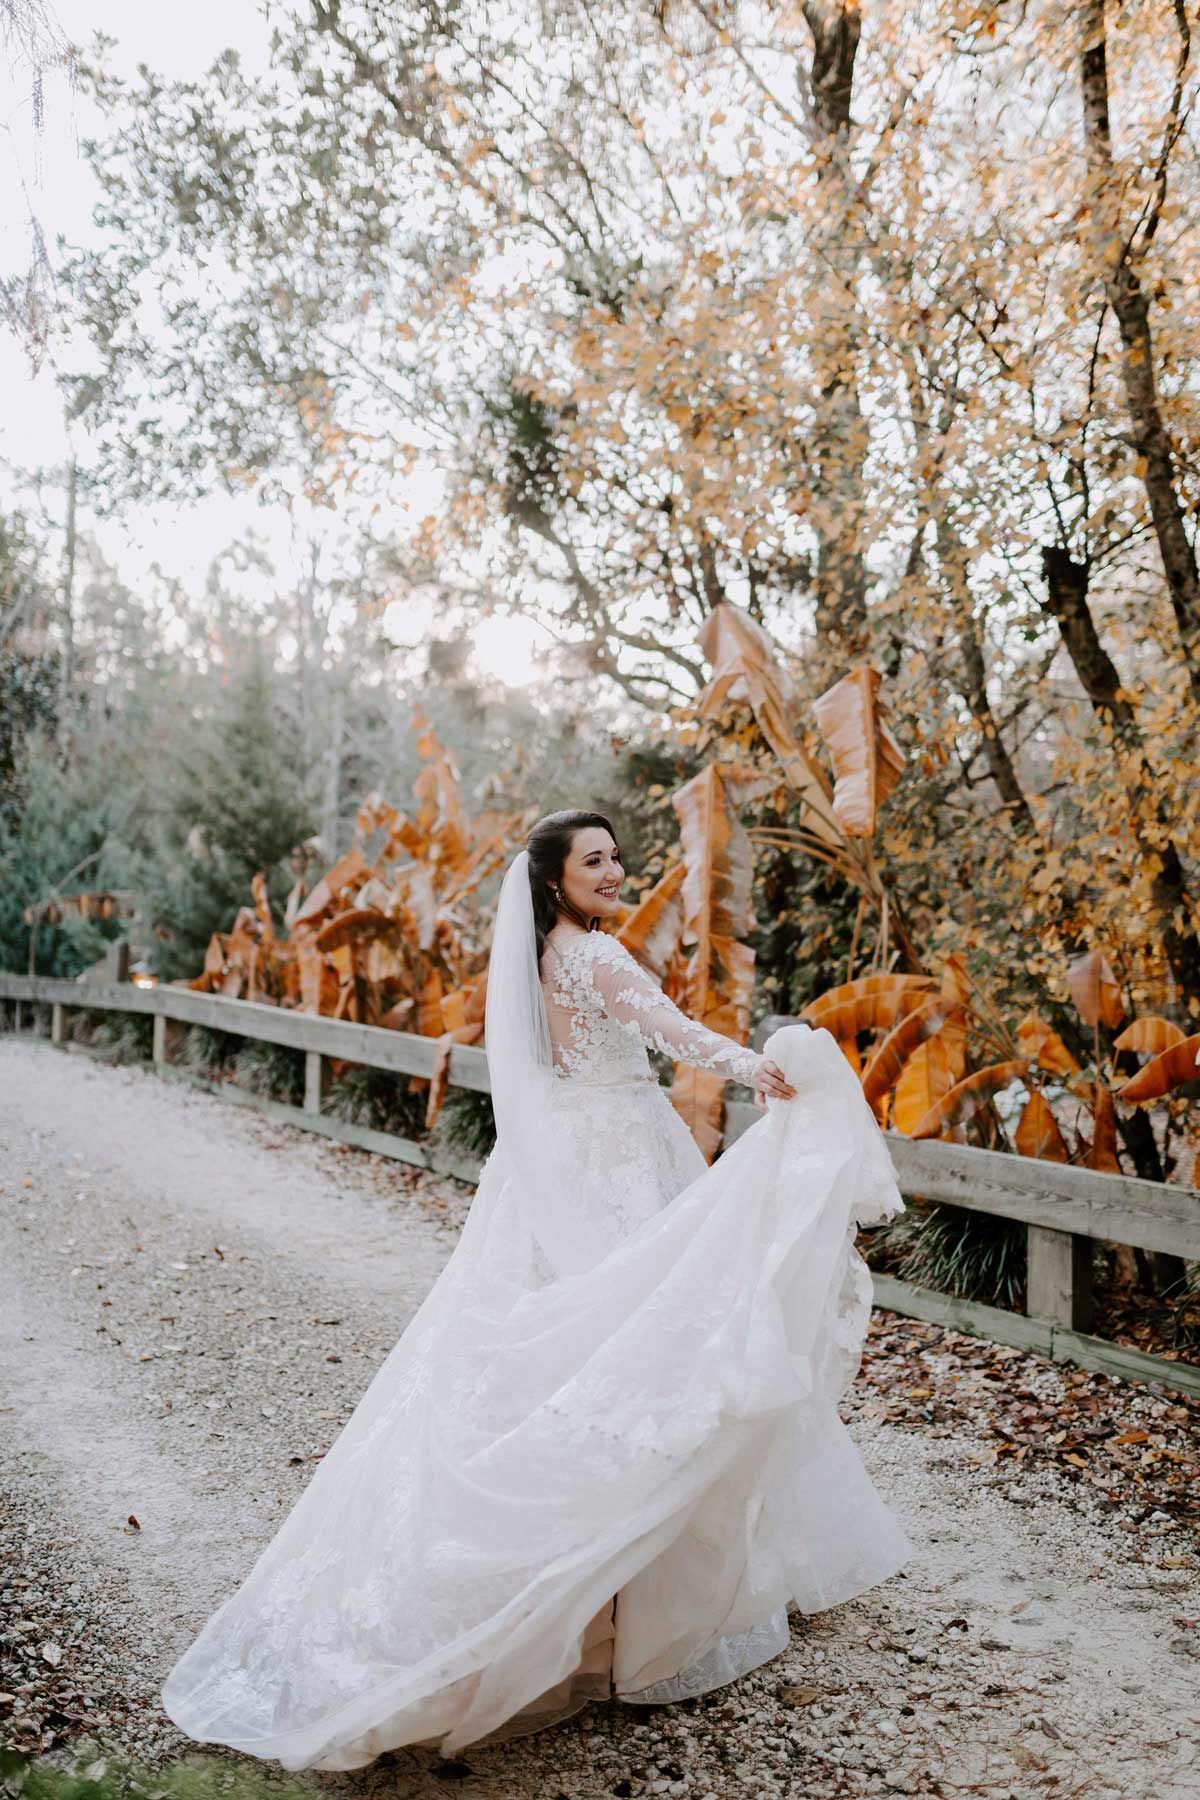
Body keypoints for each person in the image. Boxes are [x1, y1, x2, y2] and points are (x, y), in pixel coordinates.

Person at [161, 810, 913, 1771]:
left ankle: (604, 1597)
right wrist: (764, 1067)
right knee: (642, 1358)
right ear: (556, 880)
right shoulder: (595, 957)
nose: (614, 869)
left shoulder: (539, 961)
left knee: (580, 1356)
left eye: (616, 855)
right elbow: (674, 1032)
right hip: (622, 1162)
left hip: (556, 1164)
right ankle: (621, 1603)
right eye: (593, 860)